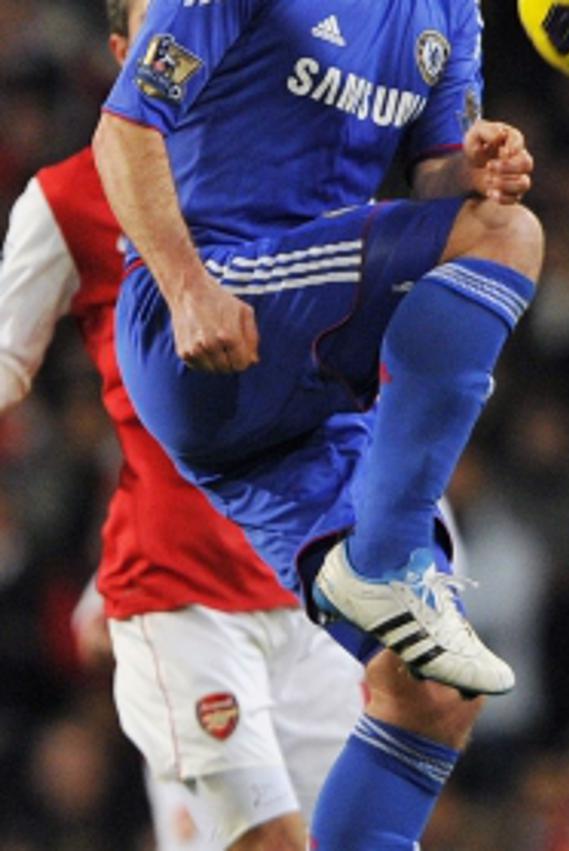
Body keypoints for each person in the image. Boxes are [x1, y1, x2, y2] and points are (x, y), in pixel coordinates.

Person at [91, 0, 542, 846]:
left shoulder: (452, 11)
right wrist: (188, 285)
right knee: (507, 239)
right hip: (209, 309)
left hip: (301, 380)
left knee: (431, 690)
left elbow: (440, 178)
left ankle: (388, 565)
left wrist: (480, 163)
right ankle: (391, 557)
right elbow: (122, 130)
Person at [0, 0, 369, 847]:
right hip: (181, 593)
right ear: (127, 51)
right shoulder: (65, 200)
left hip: (316, 588)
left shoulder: (313, 167)